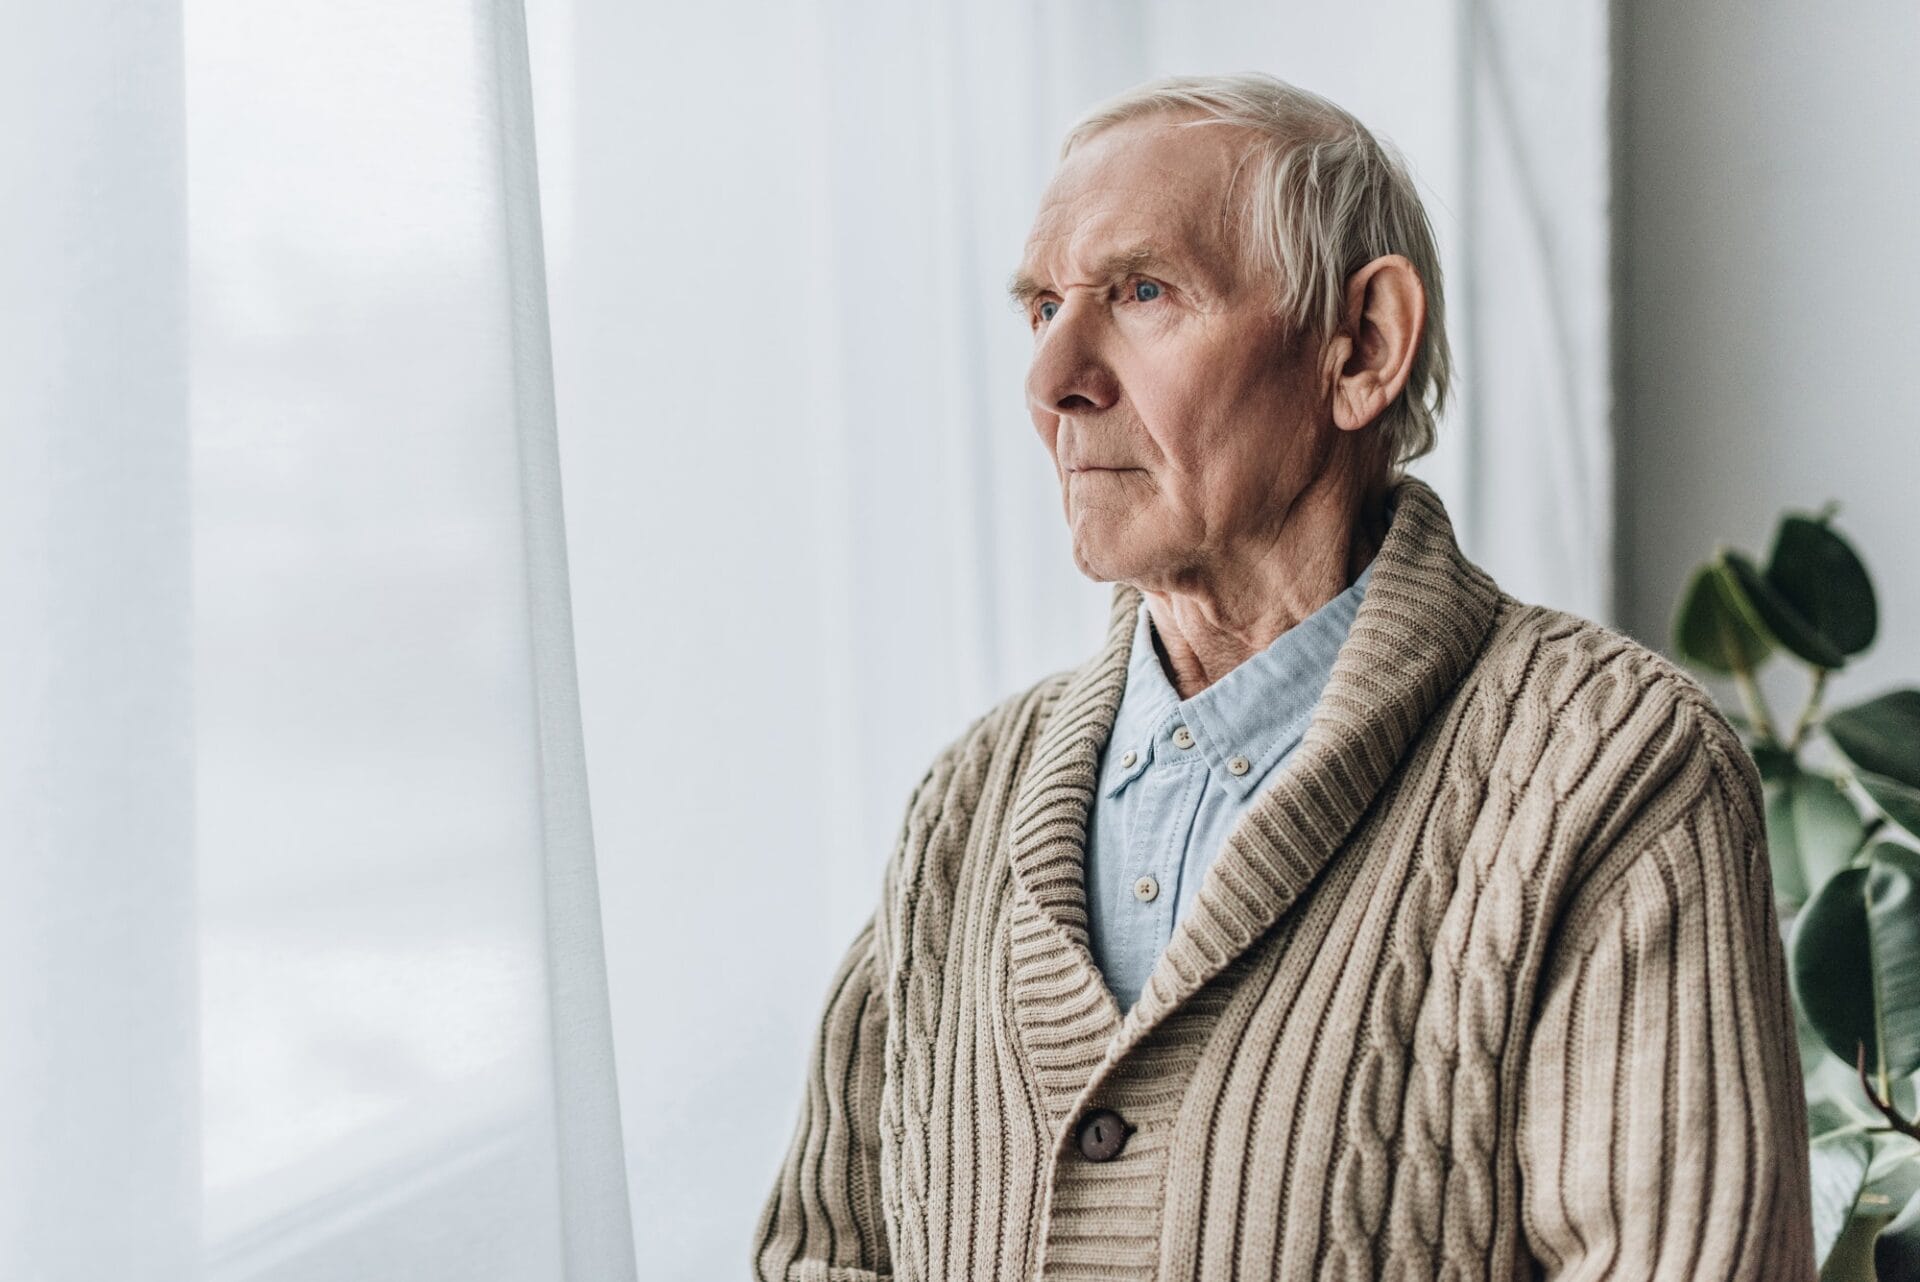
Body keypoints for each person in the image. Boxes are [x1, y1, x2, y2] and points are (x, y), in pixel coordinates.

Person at [752, 72, 1814, 1281]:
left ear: (1361, 347)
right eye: (1042, 307)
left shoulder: (1614, 770)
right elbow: (822, 1251)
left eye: (1141, 292)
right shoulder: (967, 802)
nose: (1052, 380)